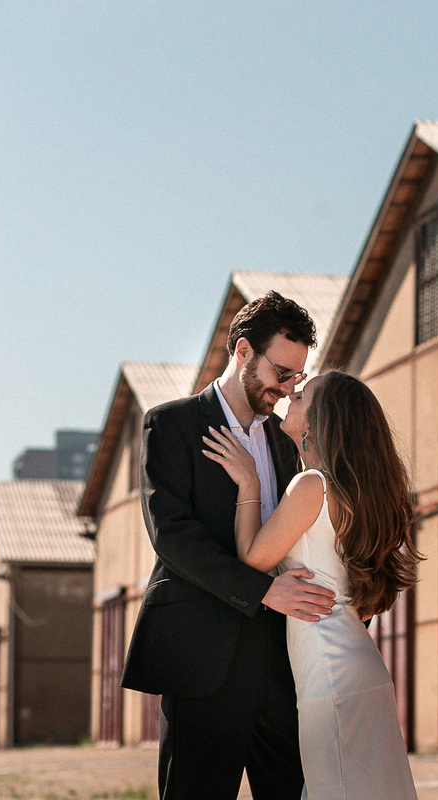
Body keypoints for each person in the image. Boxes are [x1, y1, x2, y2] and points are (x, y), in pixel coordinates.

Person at [121, 291, 336, 800]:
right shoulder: (170, 424)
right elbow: (173, 537)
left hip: (283, 664)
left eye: (297, 377)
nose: (287, 388)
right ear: (242, 351)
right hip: (202, 660)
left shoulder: (287, 438)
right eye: (281, 372)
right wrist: (264, 591)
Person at [203, 369, 421, 800]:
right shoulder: (354, 491)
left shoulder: (312, 485)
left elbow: (252, 559)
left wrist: (249, 482)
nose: (290, 397)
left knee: (332, 790)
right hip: (360, 666)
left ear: (323, 419)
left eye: (302, 396)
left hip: (330, 672)